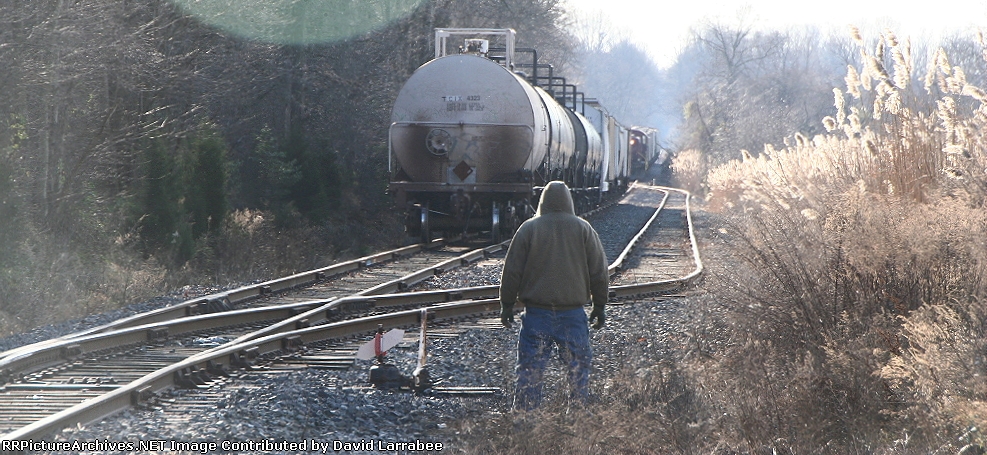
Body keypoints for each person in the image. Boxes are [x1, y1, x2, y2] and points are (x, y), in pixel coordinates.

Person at [499, 181, 609, 410]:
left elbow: (512, 271)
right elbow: (599, 271)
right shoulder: (583, 228)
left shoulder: (529, 229)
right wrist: (599, 305)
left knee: (530, 371)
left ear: (542, 201)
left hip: (536, 314)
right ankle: (576, 418)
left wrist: (506, 304)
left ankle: (526, 423)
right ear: (569, 200)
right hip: (573, 315)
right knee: (578, 370)